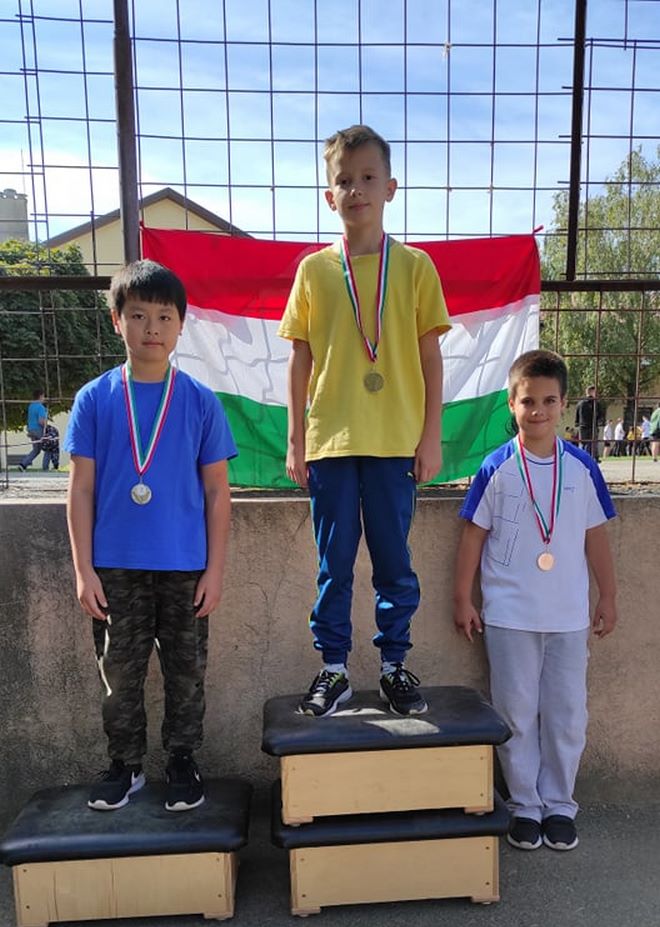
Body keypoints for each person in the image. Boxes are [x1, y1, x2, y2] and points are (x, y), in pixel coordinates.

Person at [279, 124, 450, 718]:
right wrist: (296, 440)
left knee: (393, 563)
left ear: (390, 188)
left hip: (395, 441)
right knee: (334, 566)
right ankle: (333, 669)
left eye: (368, 178)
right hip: (329, 442)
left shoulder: (416, 267)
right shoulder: (313, 271)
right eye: (344, 180)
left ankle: (394, 664)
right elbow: (299, 358)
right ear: (330, 196)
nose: (357, 190)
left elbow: (431, 356)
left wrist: (430, 436)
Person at [64, 260, 237, 812]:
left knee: (187, 674)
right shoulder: (94, 399)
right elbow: (81, 490)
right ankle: (126, 765)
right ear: (117, 321)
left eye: (165, 316)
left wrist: (215, 570)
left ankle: (182, 759)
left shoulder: (200, 401)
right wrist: (83, 570)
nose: (152, 328)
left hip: (186, 566)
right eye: (138, 315)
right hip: (115, 567)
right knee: (120, 673)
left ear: (182, 324)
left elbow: (217, 492)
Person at [453, 349, 617, 852]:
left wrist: (608, 595)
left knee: (567, 714)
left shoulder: (582, 467)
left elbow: (595, 537)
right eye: (528, 401)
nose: (538, 410)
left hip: (568, 616)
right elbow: (473, 536)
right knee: (516, 712)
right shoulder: (496, 467)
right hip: (509, 616)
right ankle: (524, 803)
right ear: (511, 403)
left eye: (549, 401)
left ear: (564, 404)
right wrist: (463, 598)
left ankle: (559, 803)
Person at [19, 389, 48, 470]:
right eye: (44, 396)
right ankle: (45, 467)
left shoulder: (31, 406)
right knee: (48, 447)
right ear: (41, 396)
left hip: (31, 429)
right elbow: (41, 421)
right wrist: (47, 426)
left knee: (36, 450)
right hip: (38, 429)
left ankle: (23, 464)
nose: (44, 398)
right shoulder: (40, 407)